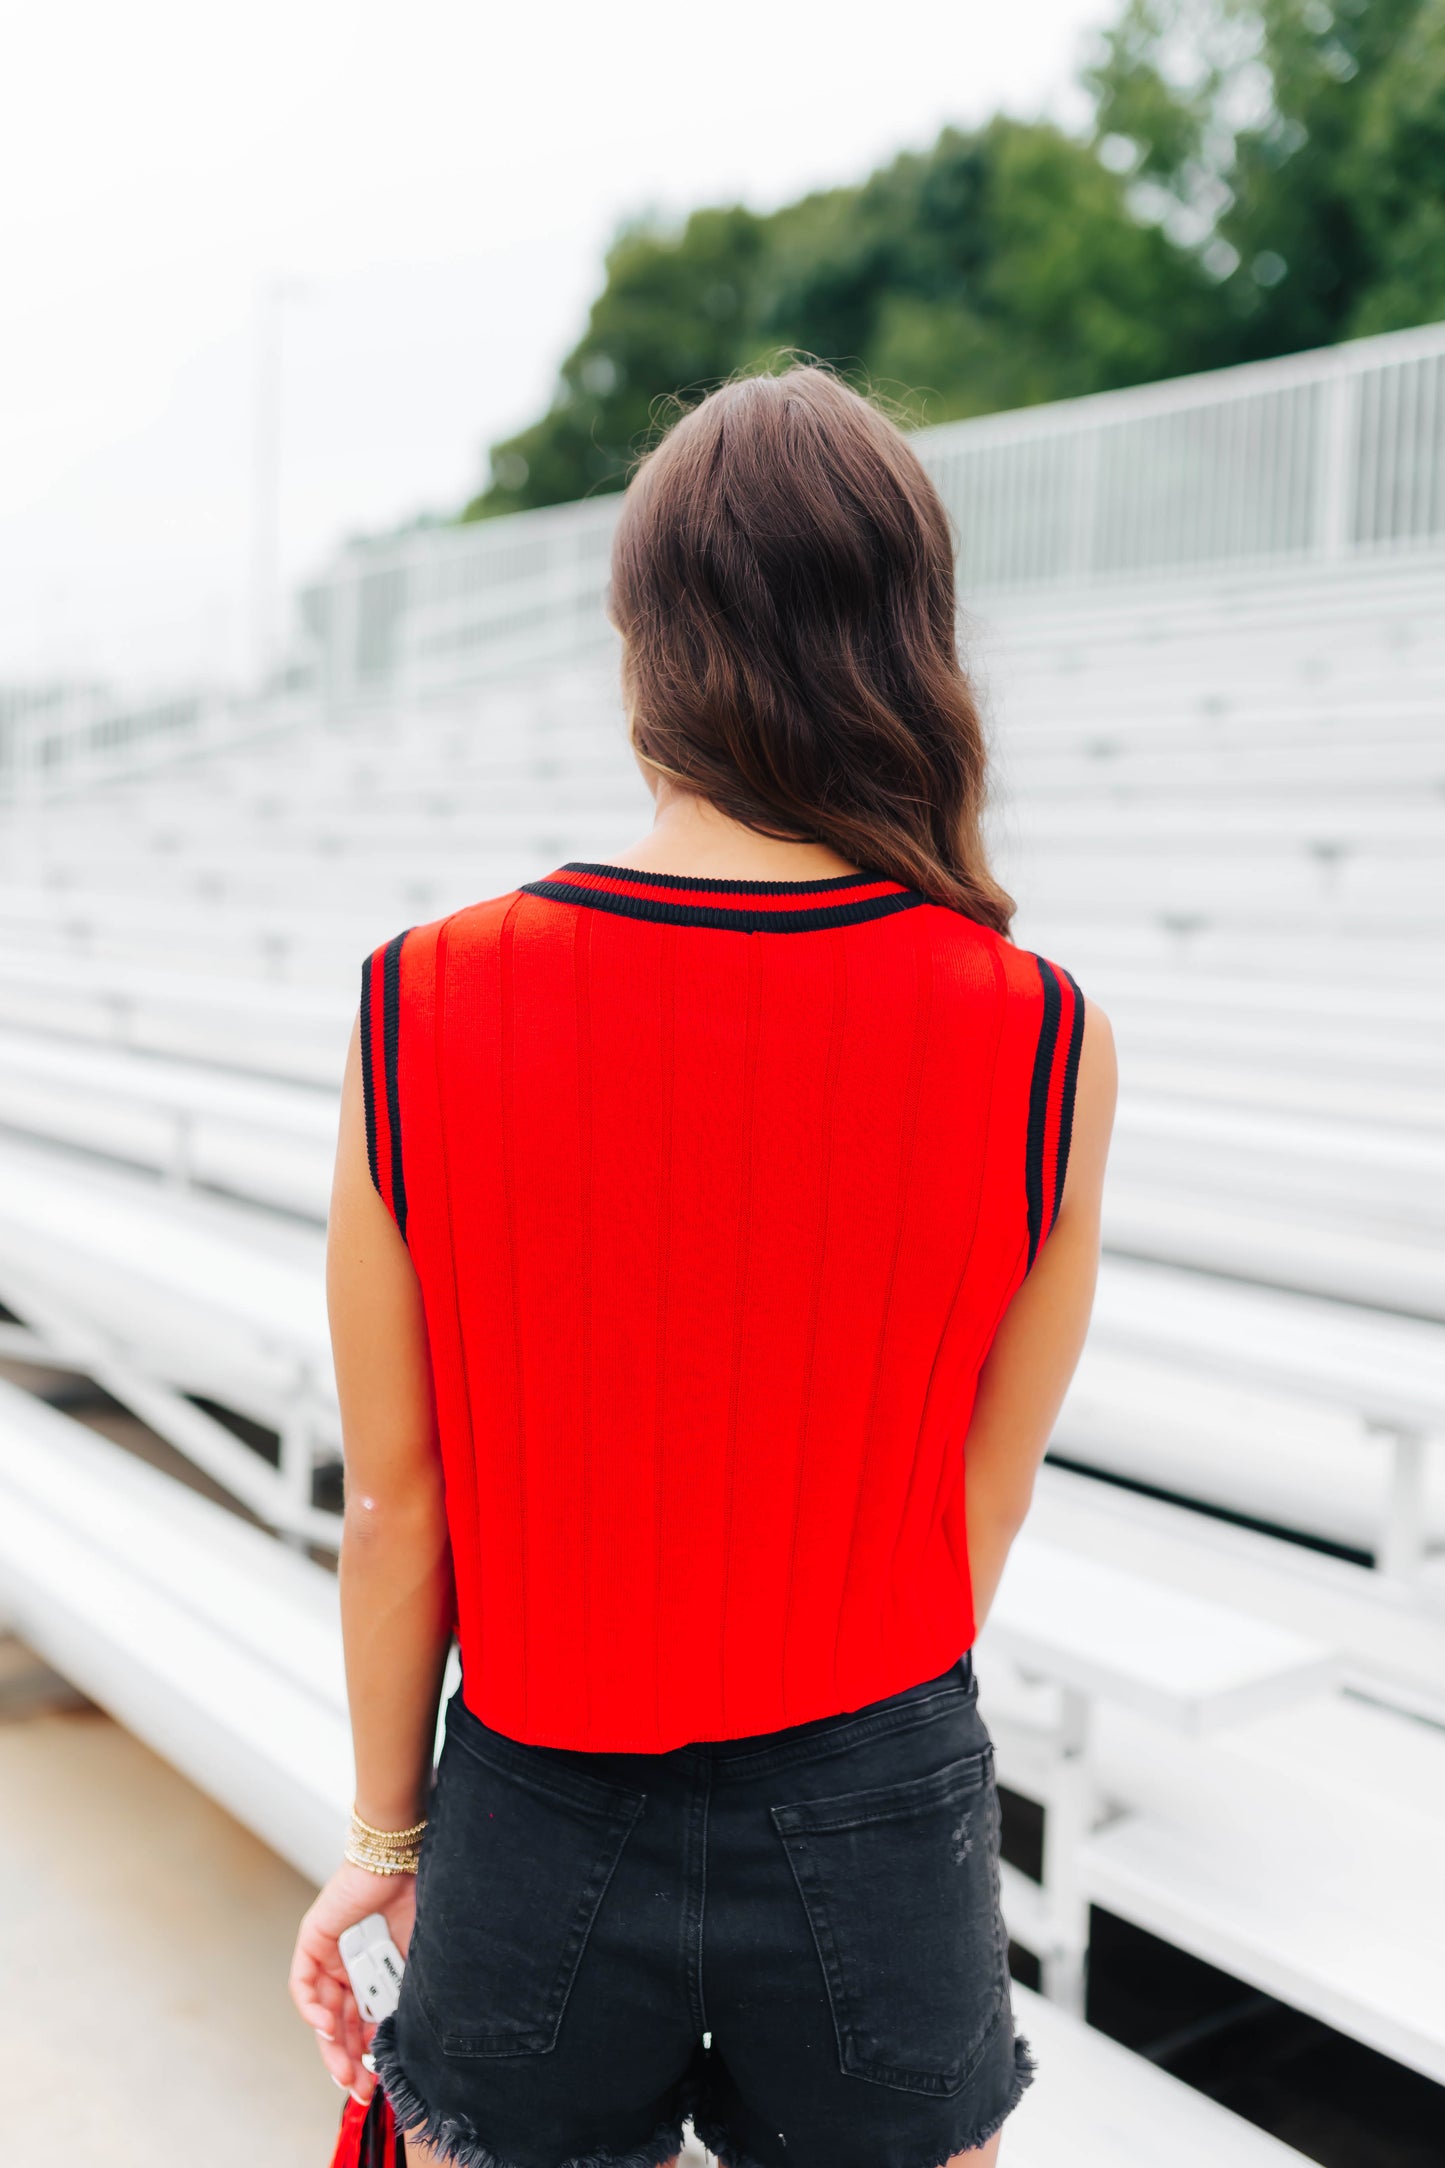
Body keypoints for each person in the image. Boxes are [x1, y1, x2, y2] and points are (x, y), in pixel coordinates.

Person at [290, 363, 1116, 2168]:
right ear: (910, 639)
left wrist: (387, 1835)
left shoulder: (419, 1002)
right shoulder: (1040, 1031)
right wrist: (837, 1732)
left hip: (534, 1798)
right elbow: (986, 1475)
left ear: (640, 647)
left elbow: (395, 1499)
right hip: (875, 1797)